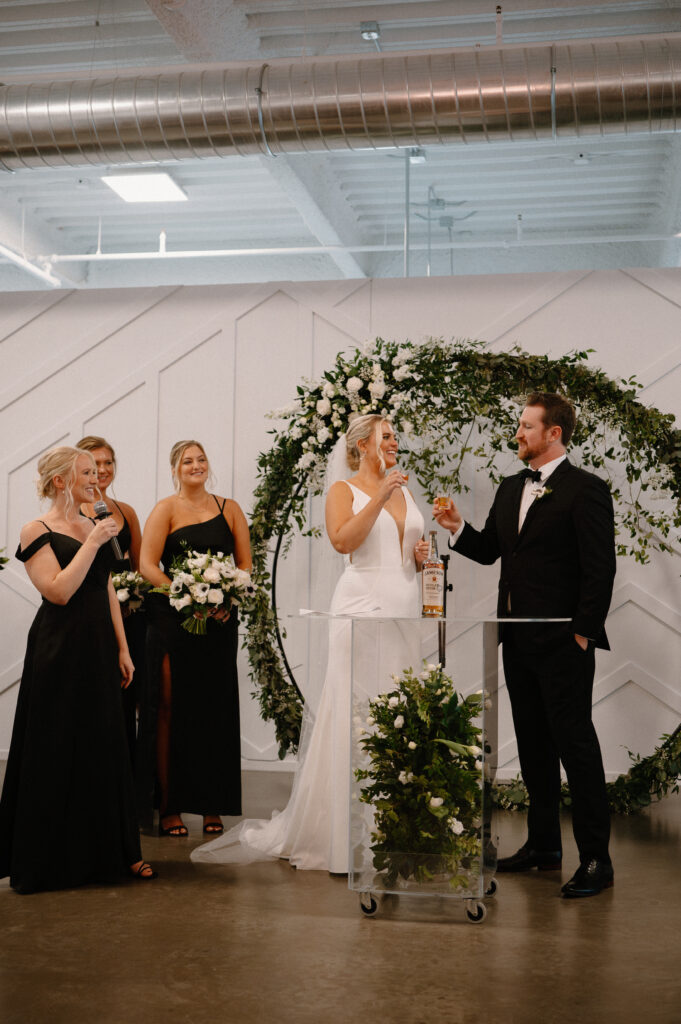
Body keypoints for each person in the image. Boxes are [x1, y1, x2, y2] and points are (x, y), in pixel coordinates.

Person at [191, 414, 429, 873]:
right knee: (356, 711)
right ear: (362, 445)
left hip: (405, 607)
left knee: (398, 710)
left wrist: (418, 559)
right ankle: (341, 836)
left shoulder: (405, 488)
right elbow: (344, 542)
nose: (395, 442)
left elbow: (401, 553)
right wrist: (380, 496)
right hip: (360, 607)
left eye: (396, 435)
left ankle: (394, 827)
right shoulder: (346, 491)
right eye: (387, 436)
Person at [433, 392, 616, 899]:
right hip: (516, 638)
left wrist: (583, 630)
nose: (518, 433)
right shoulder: (511, 486)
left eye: (526, 426)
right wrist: (457, 530)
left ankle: (597, 860)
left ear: (553, 433)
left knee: (576, 747)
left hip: (564, 642)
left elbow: (600, 569)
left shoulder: (586, 490)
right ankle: (543, 846)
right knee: (534, 746)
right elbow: (492, 550)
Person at [0, 446, 155, 893]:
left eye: (97, 471)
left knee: (104, 746)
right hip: (58, 649)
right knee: (55, 746)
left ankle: (116, 854)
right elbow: (59, 592)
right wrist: (90, 542)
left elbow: (105, 584)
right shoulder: (37, 529)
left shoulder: (95, 521)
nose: (97, 478)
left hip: (99, 646)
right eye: (86, 472)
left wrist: (123, 648)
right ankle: (48, 861)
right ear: (61, 481)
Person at [138, 440, 251, 837]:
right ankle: (169, 806)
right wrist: (183, 595)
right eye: (188, 460)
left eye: (202, 459)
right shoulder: (165, 510)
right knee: (171, 709)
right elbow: (147, 565)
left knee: (214, 710)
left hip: (219, 623)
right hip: (173, 622)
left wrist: (229, 597)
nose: (196, 465)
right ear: (175, 469)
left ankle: (211, 804)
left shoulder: (229, 509)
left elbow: (245, 565)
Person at [76, 435, 144, 759]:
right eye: (94, 464)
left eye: (107, 463)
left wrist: (135, 593)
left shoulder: (125, 511)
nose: (102, 470)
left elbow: (139, 565)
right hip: (90, 618)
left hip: (129, 618)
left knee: (125, 703)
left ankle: (127, 788)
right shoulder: (72, 512)